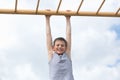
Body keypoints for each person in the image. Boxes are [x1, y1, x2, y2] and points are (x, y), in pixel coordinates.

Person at [45, 15, 74, 80]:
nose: (60, 47)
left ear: (66, 47)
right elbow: (48, 35)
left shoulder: (67, 54)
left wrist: (68, 19)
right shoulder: (51, 55)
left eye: (62, 45)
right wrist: (47, 19)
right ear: (53, 47)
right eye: (57, 45)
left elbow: (68, 35)